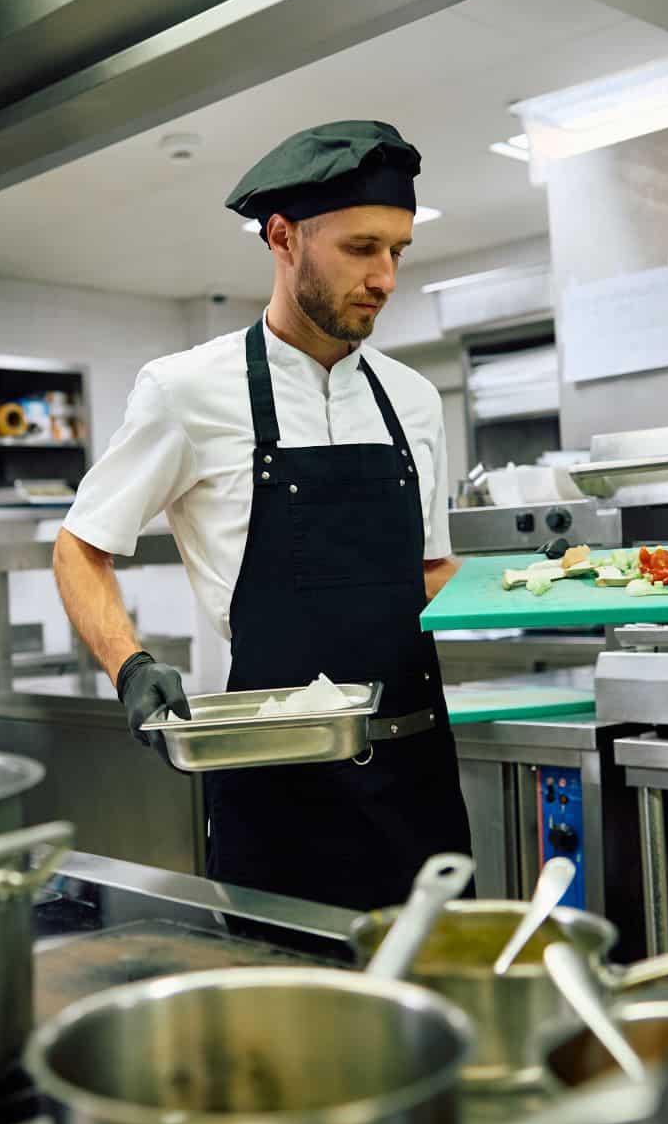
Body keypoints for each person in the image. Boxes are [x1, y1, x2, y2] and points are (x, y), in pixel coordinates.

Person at [53, 119, 472, 911]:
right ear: (283, 238)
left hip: (416, 775)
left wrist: (548, 596)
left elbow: (427, 573)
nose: (384, 277)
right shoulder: (184, 390)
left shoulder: (413, 400)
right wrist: (130, 666)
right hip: (276, 788)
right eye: (360, 248)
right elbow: (80, 548)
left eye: (397, 251)